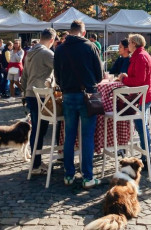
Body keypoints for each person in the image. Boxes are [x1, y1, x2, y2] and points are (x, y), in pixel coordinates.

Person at [54, 20, 103, 188]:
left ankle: (69, 175)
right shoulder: (90, 46)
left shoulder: (60, 49)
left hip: (68, 96)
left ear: (70, 31)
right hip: (87, 95)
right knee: (87, 137)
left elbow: (57, 77)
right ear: (83, 32)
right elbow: (99, 75)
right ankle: (87, 177)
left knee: (69, 136)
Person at [116, 34, 151, 171]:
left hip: (144, 95)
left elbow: (139, 81)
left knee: (141, 124)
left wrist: (124, 79)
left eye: (129, 42)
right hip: (143, 94)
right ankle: (146, 157)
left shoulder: (140, 57)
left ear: (134, 43)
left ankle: (147, 158)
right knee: (141, 124)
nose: (127, 45)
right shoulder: (139, 55)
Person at [20, 28, 56, 175]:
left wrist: (23, 93)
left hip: (30, 93)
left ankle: (36, 161)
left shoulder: (29, 53)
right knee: (40, 130)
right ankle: (35, 164)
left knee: (36, 129)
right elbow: (61, 69)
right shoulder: (47, 53)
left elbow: (24, 76)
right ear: (52, 40)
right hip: (41, 95)